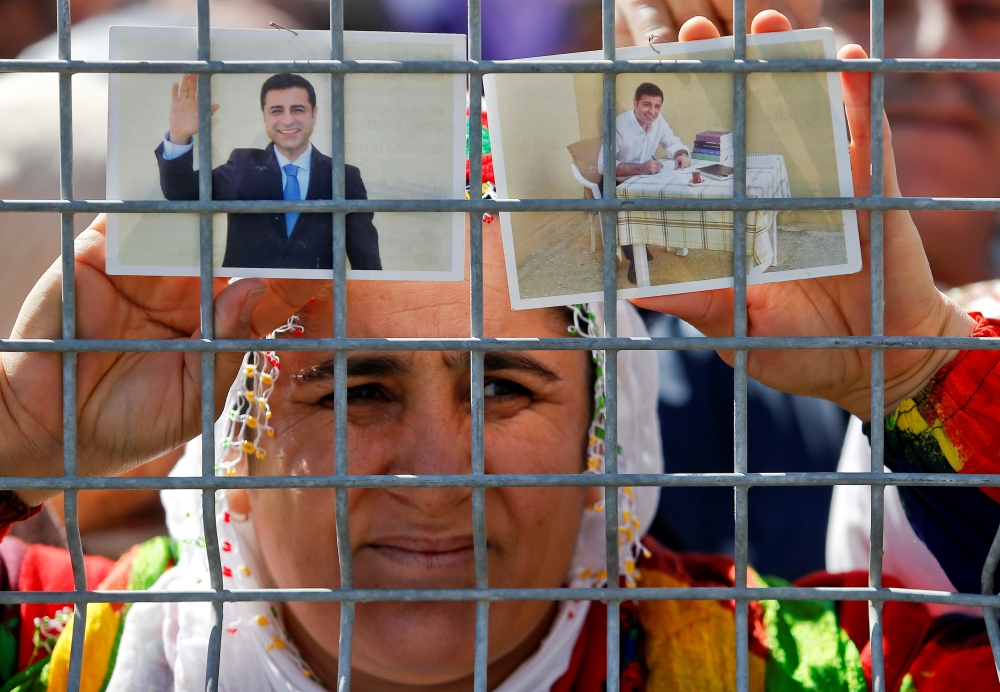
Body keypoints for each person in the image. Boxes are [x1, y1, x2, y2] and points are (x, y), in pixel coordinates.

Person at [1, 12, 999, 690]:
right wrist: (16, 437)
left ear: (599, 453)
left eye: (507, 385)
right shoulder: (62, 648)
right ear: (238, 457)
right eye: (355, 389)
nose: (436, 473)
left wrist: (918, 369)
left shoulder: (786, 666)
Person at [155, 72, 383, 271]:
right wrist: (179, 135)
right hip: (247, 306)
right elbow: (180, 192)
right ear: (264, 116)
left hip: (318, 308)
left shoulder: (345, 177)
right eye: (276, 110)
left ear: (314, 114)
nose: (287, 119)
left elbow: (366, 259)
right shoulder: (242, 165)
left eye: (298, 109)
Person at [598, 82, 693, 284]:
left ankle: (650, 242)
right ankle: (635, 259)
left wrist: (681, 154)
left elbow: (672, 141)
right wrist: (641, 167)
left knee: (670, 196)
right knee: (630, 212)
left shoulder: (658, 121)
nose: (652, 111)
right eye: (646, 105)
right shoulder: (617, 126)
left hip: (642, 179)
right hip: (614, 182)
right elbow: (603, 166)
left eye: (657, 106)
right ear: (635, 103)